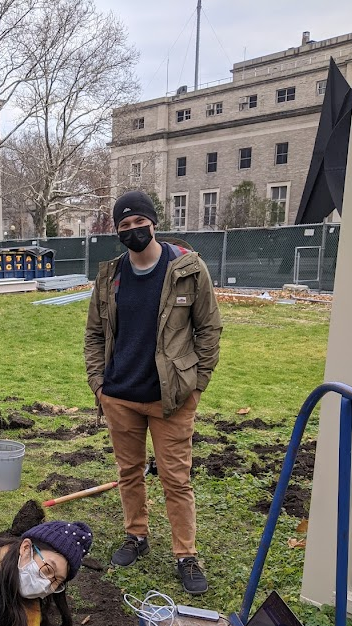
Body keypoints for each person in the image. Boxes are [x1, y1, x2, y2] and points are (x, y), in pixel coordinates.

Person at [84, 190, 222, 594]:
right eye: (124, 225)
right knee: (129, 472)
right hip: (120, 394)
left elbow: (209, 329)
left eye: (138, 222)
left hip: (171, 398)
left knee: (176, 479)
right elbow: (94, 333)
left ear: (153, 223)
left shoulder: (187, 269)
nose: (132, 230)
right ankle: (137, 536)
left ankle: (186, 555)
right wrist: (99, 383)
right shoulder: (110, 275)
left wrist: (197, 384)